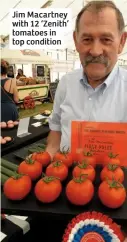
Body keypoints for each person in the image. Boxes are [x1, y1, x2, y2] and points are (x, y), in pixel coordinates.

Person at [46, 0, 127, 158]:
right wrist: (48, 156)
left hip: (115, 180)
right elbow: (56, 127)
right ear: (76, 41)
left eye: (106, 39)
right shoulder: (66, 83)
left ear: (121, 42)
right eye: (87, 39)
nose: (96, 51)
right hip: (65, 175)